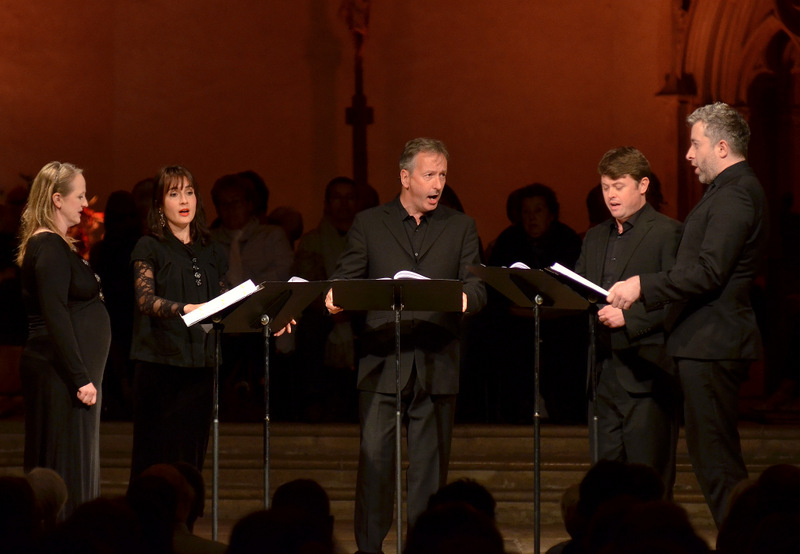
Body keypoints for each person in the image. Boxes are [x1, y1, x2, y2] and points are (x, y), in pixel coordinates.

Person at [607, 102, 768, 527]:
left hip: (713, 344)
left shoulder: (736, 193)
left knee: (717, 464)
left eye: (695, 145)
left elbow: (710, 271)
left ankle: (748, 542)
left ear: (721, 145)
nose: (688, 156)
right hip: (704, 343)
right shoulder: (727, 191)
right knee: (712, 461)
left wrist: (643, 285)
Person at [326, 137, 486, 553]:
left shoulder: (460, 225)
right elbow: (347, 278)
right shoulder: (369, 223)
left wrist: (466, 299)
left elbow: (477, 285)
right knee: (376, 466)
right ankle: (369, 548)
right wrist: (336, 297)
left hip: (436, 360)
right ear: (405, 176)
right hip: (382, 359)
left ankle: (426, 547)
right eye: (429, 174)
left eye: (443, 175)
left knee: (429, 474)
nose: (437, 184)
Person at [575, 147, 682, 495]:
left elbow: (678, 299)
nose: (611, 195)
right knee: (604, 483)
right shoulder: (595, 236)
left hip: (647, 374)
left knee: (647, 481)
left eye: (619, 186)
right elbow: (581, 288)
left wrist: (629, 316)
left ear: (643, 185)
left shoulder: (668, 233)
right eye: (606, 187)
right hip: (603, 373)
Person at [17, 161, 111, 520]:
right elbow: (55, 313)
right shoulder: (50, 246)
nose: (85, 203)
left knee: (74, 458)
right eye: (80, 195)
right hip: (62, 375)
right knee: (65, 462)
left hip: (67, 375)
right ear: (57, 199)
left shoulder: (55, 244)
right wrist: (80, 376)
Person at [128, 165, 229, 479]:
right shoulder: (150, 246)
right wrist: (186, 308)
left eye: (189, 192)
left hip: (202, 367)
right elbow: (145, 300)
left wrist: (269, 317)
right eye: (174, 193)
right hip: (162, 367)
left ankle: (184, 523)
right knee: (158, 459)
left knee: (191, 460)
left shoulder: (212, 249)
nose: (184, 200)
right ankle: (153, 526)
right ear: (160, 205)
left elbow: (227, 300)